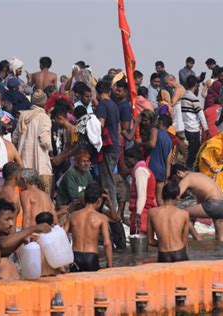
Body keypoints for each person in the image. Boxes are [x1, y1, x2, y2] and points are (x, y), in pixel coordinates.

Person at [171, 164, 223, 241]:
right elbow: (200, 203)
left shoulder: (187, 178)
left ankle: (197, 238)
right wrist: (193, 218)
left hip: (214, 205)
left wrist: (166, 208)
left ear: (178, 173)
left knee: (182, 213)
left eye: (175, 179)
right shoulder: (200, 175)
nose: (177, 182)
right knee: (221, 239)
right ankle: (220, 253)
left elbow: (177, 196)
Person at [64, 183, 112, 272]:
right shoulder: (102, 218)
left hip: (75, 256)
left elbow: (62, 237)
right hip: (91, 257)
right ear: (99, 200)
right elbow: (107, 243)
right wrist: (110, 265)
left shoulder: (73, 216)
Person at [13, 90, 53, 194]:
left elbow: (14, 139)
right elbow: (45, 140)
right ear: (44, 102)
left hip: (23, 163)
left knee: (24, 196)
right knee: (42, 197)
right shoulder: (44, 117)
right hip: (40, 165)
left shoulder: (23, 116)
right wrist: (51, 150)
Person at [147, 181, 190, 262]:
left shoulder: (151, 212)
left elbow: (150, 241)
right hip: (180, 253)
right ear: (177, 196)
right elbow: (184, 242)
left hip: (163, 255)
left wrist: (164, 243)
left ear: (162, 195)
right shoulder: (184, 214)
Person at [95, 80, 120, 212]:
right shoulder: (114, 105)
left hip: (108, 147)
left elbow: (100, 124)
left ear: (97, 93)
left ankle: (112, 210)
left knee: (107, 181)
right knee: (107, 179)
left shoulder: (102, 105)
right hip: (115, 146)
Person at [125, 147, 157, 234]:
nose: (125, 163)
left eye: (127, 159)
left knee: (140, 236)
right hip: (143, 210)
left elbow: (142, 195)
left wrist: (138, 214)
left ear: (134, 158)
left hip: (143, 211)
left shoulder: (140, 171)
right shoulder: (142, 169)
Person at [196, 127, 223, 192]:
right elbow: (204, 157)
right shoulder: (214, 144)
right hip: (209, 166)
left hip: (221, 166)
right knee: (209, 187)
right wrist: (212, 167)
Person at [181, 75, 209, 169]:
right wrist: (206, 129)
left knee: (190, 153)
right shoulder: (193, 98)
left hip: (186, 128)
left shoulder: (184, 96)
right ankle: (189, 172)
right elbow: (201, 114)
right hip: (193, 129)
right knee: (194, 154)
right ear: (196, 85)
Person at [147, 115, 173, 205]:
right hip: (162, 171)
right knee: (159, 199)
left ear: (161, 122)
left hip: (152, 168)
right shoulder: (170, 140)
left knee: (149, 196)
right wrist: (167, 177)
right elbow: (168, 162)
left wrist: (141, 144)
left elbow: (152, 144)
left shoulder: (155, 131)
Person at [0, 162, 22, 231]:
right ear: (16, 176)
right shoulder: (13, 195)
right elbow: (11, 221)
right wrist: (13, 239)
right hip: (7, 234)